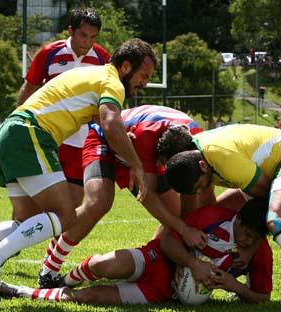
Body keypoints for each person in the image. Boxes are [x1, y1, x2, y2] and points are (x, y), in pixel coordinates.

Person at [0, 38, 157, 307]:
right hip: (30, 133)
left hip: (9, 132)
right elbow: (111, 122)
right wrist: (137, 165)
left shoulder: (93, 74)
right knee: (66, 216)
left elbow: (89, 113)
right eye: (143, 75)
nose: (145, 83)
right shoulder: (112, 82)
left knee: (25, 220)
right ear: (126, 66)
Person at [157, 124, 281, 312]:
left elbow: (263, 199)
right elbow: (197, 217)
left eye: (198, 187)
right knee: (219, 217)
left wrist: (250, 248)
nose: (198, 192)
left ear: (200, 165)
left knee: (277, 220)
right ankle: (250, 282)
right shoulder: (199, 158)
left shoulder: (223, 158)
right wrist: (187, 261)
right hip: (267, 172)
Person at [38, 105, 208, 289]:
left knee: (174, 216)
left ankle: (155, 263)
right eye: (162, 163)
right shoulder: (148, 135)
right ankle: (49, 270)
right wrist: (184, 229)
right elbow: (147, 195)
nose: (161, 167)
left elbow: (192, 201)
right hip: (106, 141)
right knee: (98, 203)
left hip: (143, 148)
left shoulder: (200, 142)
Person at [0, 199, 273, 305]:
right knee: (104, 266)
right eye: (246, 234)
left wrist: (234, 286)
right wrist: (191, 263)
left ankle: (19, 291)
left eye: (255, 238)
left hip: (163, 292)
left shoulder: (259, 251)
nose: (248, 242)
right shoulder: (213, 216)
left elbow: (262, 296)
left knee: (89, 297)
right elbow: (167, 241)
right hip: (157, 259)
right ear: (237, 220)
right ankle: (64, 279)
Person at [17, 8, 110, 208]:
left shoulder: (103, 60)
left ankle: (57, 241)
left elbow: (109, 100)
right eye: (83, 35)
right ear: (71, 31)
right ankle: (13, 238)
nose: (87, 42)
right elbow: (29, 88)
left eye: (93, 37)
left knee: (73, 207)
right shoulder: (49, 54)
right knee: (31, 204)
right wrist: (18, 123)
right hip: (50, 138)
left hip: (82, 141)